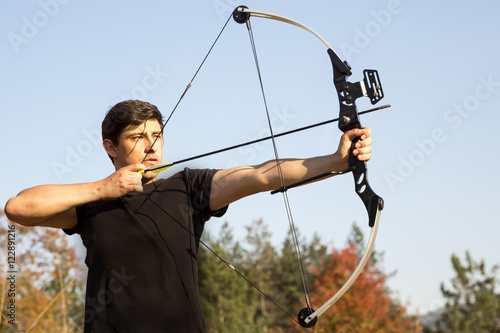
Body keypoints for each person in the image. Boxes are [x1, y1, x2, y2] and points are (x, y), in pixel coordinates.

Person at [4, 100, 374, 332]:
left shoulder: (187, 186)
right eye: (136, 137)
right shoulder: (90, 203)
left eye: (157, 135)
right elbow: (17, 207)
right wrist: (104, 188)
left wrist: (336, 161)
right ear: (110, 147)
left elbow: (260, 175)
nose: (151, 145)